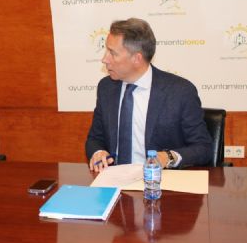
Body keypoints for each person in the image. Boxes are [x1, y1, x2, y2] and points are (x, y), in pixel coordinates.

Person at [86, 18, 212, 172]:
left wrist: (168, 157)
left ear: (136, 58)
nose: (104, 59)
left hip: (159, 180)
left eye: (112, 53)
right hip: (114, 179)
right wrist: (98, 152)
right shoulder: (106, 88)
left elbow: (204, 148)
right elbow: (95, 139)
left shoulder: (180, 92)